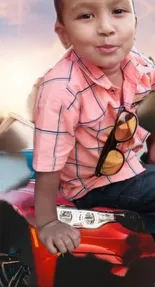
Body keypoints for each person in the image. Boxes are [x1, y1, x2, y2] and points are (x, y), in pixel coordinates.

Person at [33, 0, 155, 255]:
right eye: (86, 16)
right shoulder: (61, 89)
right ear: (64, 34)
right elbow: (48, 161)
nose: (106, 27)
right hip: (95, 184)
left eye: (118, 11)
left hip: (128, 162)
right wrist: (48, 222)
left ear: (134, 22)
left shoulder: (137, 63)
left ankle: (144, 238)